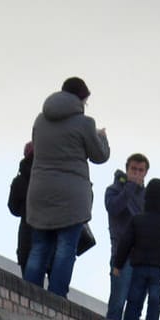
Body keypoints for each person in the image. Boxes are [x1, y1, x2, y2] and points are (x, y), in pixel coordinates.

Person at [23, 77, 110, 297]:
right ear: (81, 98)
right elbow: (99, 156)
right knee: (65, 248)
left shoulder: (40, 121)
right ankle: (56, 298)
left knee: (39, 246)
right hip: (71, 197)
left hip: (40, 192)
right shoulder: (85, 123)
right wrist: (102, 138)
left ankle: (27, 295)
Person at [111, 177, 160, 320]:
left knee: (134, 299)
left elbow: (125, 243)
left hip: (139, 266)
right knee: (154, 302)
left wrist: (118, 265)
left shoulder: (137, 219)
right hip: (158, 269)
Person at [104, 153, 150, 320]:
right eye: (133, 169)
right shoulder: (114, 190)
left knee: (135, 306)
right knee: (117, 302)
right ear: (127, 169)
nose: (137, 173)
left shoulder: (148, 196)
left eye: (140, 170)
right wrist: (129, 187)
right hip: (121, 255)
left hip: (142, 257)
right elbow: (114, 208)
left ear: (145, 172)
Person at [6, 141, 34, 268]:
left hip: (27, 231)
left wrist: (25, 210)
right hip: (50, 230)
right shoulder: (48, 175)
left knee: (29, 282)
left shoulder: (19, 180)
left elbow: (13, 207)